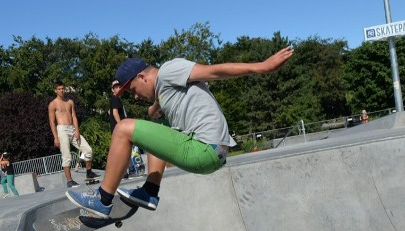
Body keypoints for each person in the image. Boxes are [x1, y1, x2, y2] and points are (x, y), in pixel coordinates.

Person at [66, 47, 294, 218]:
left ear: (142, 77)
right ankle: (149, 191)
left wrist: (261, 67)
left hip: (203, 148)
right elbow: (162, 101)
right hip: (212, 151)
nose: (135, 96)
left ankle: (103, 199)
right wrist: (154, 107)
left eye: (134, 90)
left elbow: (214, 72)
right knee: (157, 132)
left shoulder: (169, 70)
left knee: (123, 128)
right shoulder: (165, 89)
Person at [48, 80, 98, 187]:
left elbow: (74, 116)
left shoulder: (70, 102)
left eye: (63, 88)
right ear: (55, 90)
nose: (62, 91)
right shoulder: (53, 104)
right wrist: (55, 137)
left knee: (88, 150)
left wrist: (77, 130)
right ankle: (69, 180)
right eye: (59, 89)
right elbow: (52, 122)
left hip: (72, 129)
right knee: (67, 156)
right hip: (62, 130)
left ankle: (89, 173)